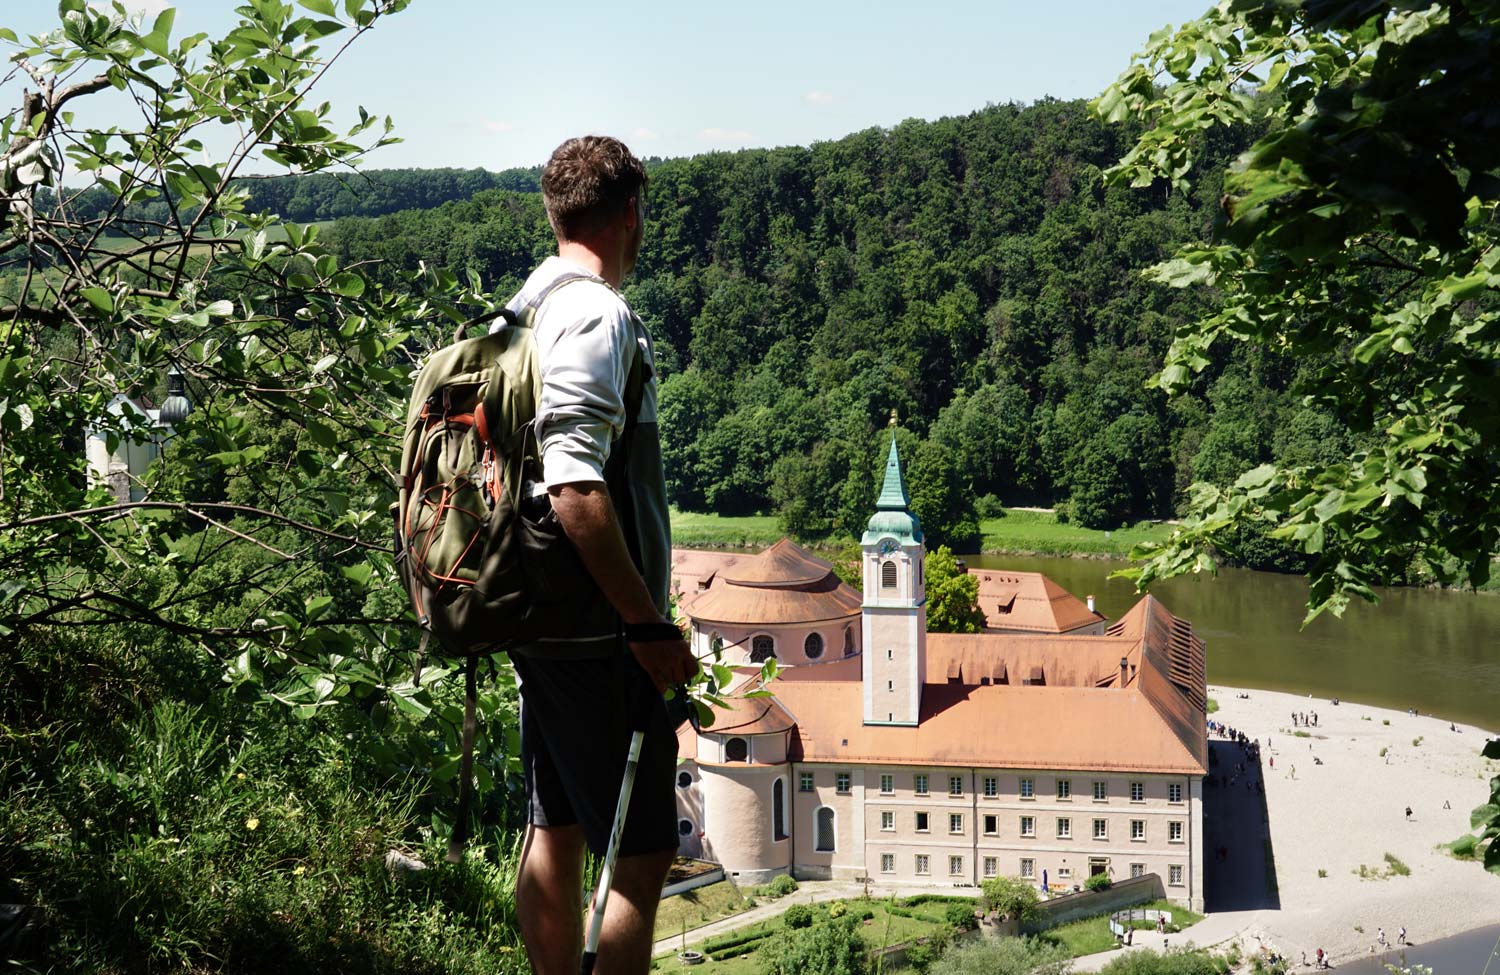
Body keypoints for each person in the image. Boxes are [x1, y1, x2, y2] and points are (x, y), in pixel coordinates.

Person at [507, 136, 697, 975]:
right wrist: (647, 625)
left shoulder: (522, 306)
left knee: (555, 825)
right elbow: (574, 487)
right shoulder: (595, 313)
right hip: (599, 637)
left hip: (539, 617)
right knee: (642, 856)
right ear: (629, 215)